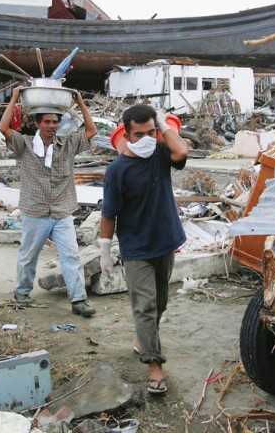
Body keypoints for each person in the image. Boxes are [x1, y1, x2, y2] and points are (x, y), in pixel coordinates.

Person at [98, 104, 188, 394]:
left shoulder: (161, 154)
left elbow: (182, 153)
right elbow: (109, 214)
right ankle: (154, 366)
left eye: (152, 132)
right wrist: (105, 249)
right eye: (140, 134)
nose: (148, 138)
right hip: (136, 248)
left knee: (160, 303)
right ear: (127, 134)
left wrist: (162, 123)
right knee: (145, 306)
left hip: (165, 240)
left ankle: (142, 340)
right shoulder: (117, 170)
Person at [0, 88, 98, 317]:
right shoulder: (24, 145)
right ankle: (22, 294)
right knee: (28, 256)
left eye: (55, 122)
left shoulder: (68, 144)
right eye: (47, 122)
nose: (52, 126)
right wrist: (14, 98)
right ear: (38, 124)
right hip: (35, 212)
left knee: (71, 256)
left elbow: (91, 130)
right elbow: (3, 128)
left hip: (62, 211)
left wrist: (80, 101)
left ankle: (78, 300)